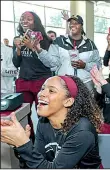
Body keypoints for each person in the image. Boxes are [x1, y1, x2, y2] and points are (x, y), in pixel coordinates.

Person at [1, 75, 103, 168]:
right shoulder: (43, 122)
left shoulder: (82, 132)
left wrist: (24, 145)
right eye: (42, 89)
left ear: (68, 101)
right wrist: (20, 145)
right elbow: (37, 164)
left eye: (51, 91)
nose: (41, 94)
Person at [12, 11, 52, 141]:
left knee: (44, 113)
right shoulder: (18, 39)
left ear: (35, 22)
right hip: (24, 81)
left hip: (41, 81)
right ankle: (28, 142)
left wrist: (33, 47)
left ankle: (46, 142)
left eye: (28, 19)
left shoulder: (45, 39)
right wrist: (18, 49)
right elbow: (16, 63)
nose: (25, 21)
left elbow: (47, 62)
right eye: (22, 19)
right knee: (23, 114)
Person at [35, 15, 102, 91]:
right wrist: (39, 50)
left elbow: (98, 65)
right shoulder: (59, 41)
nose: (72, 25)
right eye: (71, 23)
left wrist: (85, 65)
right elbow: (52, 63)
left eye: (76, 23)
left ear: (81, 26)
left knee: (86, 103)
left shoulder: (90, 44)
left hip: (86, 83)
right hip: (64, 83)